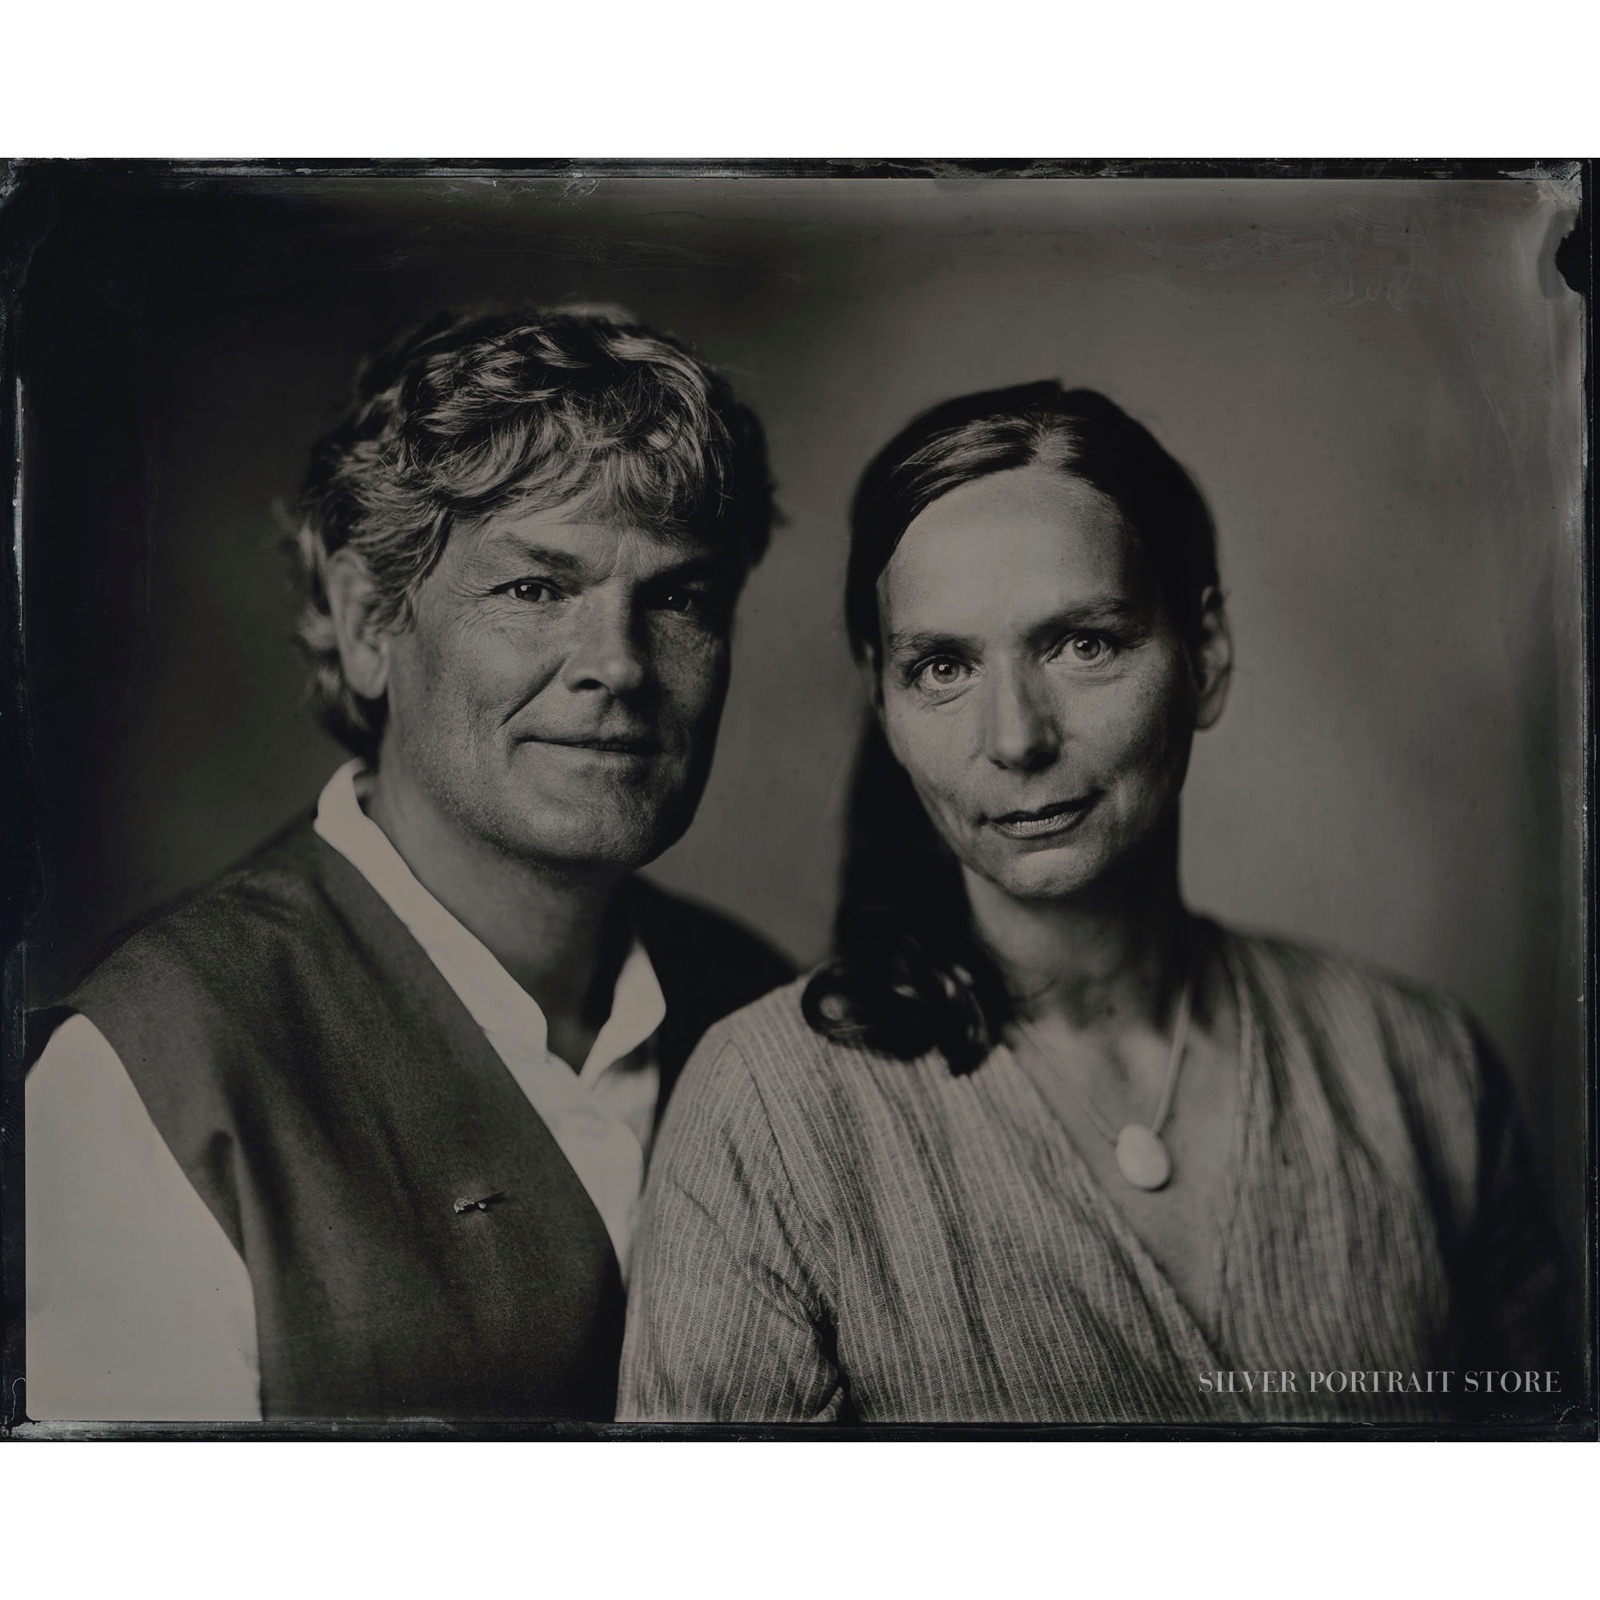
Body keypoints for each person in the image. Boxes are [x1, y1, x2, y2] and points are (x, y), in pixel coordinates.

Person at [618, 382, 1565, 1426]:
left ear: (1203, 654)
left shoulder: (1417, 1068)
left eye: (1084, 644)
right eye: (940, 665)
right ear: (881, 700)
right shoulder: (766, 1115)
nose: (1016, 736)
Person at [26, 307, 793, 1423]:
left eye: (676, 598)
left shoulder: (763, 1013)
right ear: (368, 620)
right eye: (534, 589)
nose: (616, 666)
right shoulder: (157, 1069)